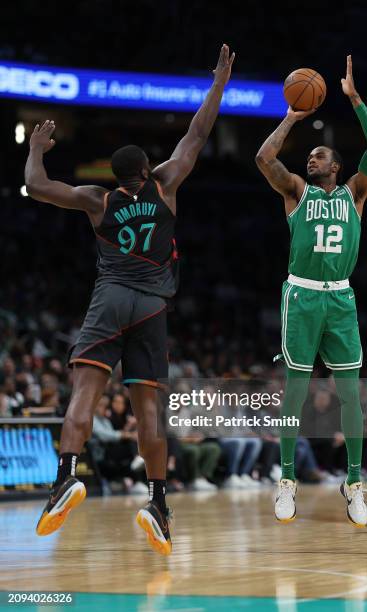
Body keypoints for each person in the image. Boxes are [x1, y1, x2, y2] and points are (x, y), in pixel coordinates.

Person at [25, 44, 235, 555]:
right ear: (149, 168)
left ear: (114, 176)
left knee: (83, 393)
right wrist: (218, 85)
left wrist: (36, 146)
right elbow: (198, 133)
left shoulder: (97, 201)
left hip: (113, 297)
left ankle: (64, 479)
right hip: (153, 306)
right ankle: (158, 504)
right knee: (150, 412)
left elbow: (35, 186)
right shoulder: (167, 186)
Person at [255, 56, 367, 527]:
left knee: (351, 394)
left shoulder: (356, 194)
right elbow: (264, 159)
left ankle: (353, 481)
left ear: (338, 166)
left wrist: (355, 100)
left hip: (341, 299)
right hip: (303, 295)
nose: (312, 158)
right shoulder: (295, 192)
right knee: (295, 392)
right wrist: (290, 117)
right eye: (310, 155)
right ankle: (286, 478)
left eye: (321, 155)